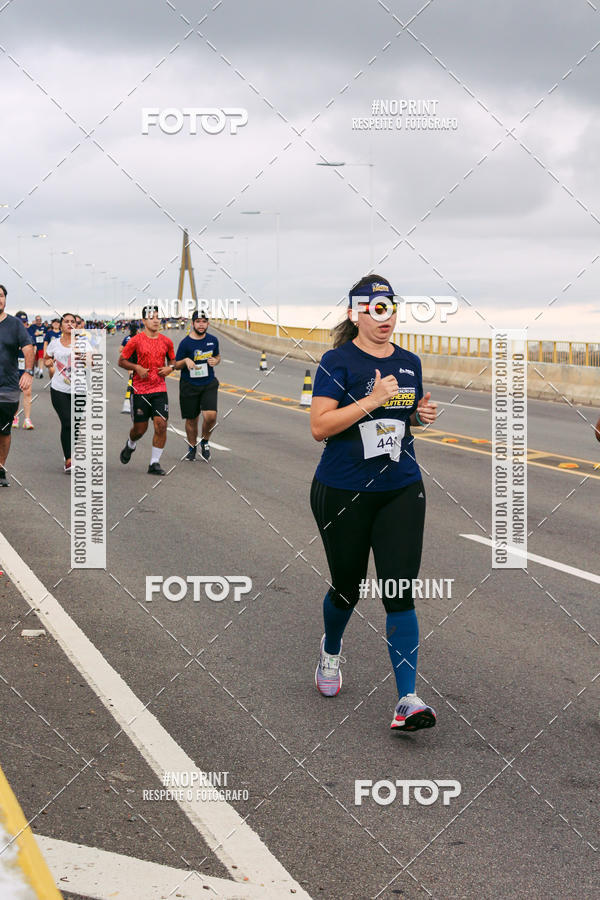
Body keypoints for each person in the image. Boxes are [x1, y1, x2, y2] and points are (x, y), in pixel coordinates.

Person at [310, 274, 439, 732]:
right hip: (343, 490)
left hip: (400, 487)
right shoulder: (337, 361)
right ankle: (330, 651)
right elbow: (320, 426)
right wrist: (371, 400)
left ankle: (407, 699)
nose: (385, 317)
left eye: (390, 308)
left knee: (398, 590)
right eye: (375, 309)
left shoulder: (408, 362)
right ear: (356, 313)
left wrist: (418, 417)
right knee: (347, 586)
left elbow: (400, 421)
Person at [118, 305, 176, 476]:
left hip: (159, 389)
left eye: (158, 317)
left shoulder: (167, 341)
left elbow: (172, 360)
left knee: (161, 425)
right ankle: (130, 444)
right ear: (144, 321)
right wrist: (137, 367)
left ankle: (154, 462)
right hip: (140, 390)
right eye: (152, 317)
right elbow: (121, 361)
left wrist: (170, 368)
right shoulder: (135, 341)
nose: (156, 320)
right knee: (139, 430)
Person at [0, 285, 35, 486]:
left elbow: (28, 347)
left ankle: (0, 468)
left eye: (1, 295)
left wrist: (28, 372)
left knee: (4, 430)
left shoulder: (15, 325)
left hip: (8, 387)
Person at [174, 312, 220, 461]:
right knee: (192, 420)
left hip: (208, 383)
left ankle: (205, 441)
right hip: (189, 385)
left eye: (204, 321)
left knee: (210, 416)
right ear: (193, 323)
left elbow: (217, 356)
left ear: (208, 324)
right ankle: (192, 446)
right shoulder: (185, 343)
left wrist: (216, 361)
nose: (201, 324)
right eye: (198, 321)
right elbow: (175, 365)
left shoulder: (213, 340)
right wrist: (186, 360)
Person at [44, 313, 85, 472]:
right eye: (66, 321)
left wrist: (84, 358)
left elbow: (93, 361)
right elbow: (47, 359)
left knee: (74, 424)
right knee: (67, 421)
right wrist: (49, 363)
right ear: (60, 325)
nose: (69, 324)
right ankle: (69, 460)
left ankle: (69, 453)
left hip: (79, 389)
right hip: (59, 389)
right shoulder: (54, 344)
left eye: (73, 322)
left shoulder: (83, 343)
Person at [13, 311, 35, 429]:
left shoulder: (29, 336)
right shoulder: (10, 334)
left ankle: (27, 419)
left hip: (26, 369)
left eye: (25, 322)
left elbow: (33, 351)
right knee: (14, 394)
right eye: (21, 323)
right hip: (12, 369)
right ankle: (15, 417)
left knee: (27, 393)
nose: (23, 325)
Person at [120, 322, 138, 413]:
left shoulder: (127, 338)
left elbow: (120, 350)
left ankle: (130, 400)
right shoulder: (140, 338)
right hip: (140, 361)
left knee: (131, 379)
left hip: (130, 361)